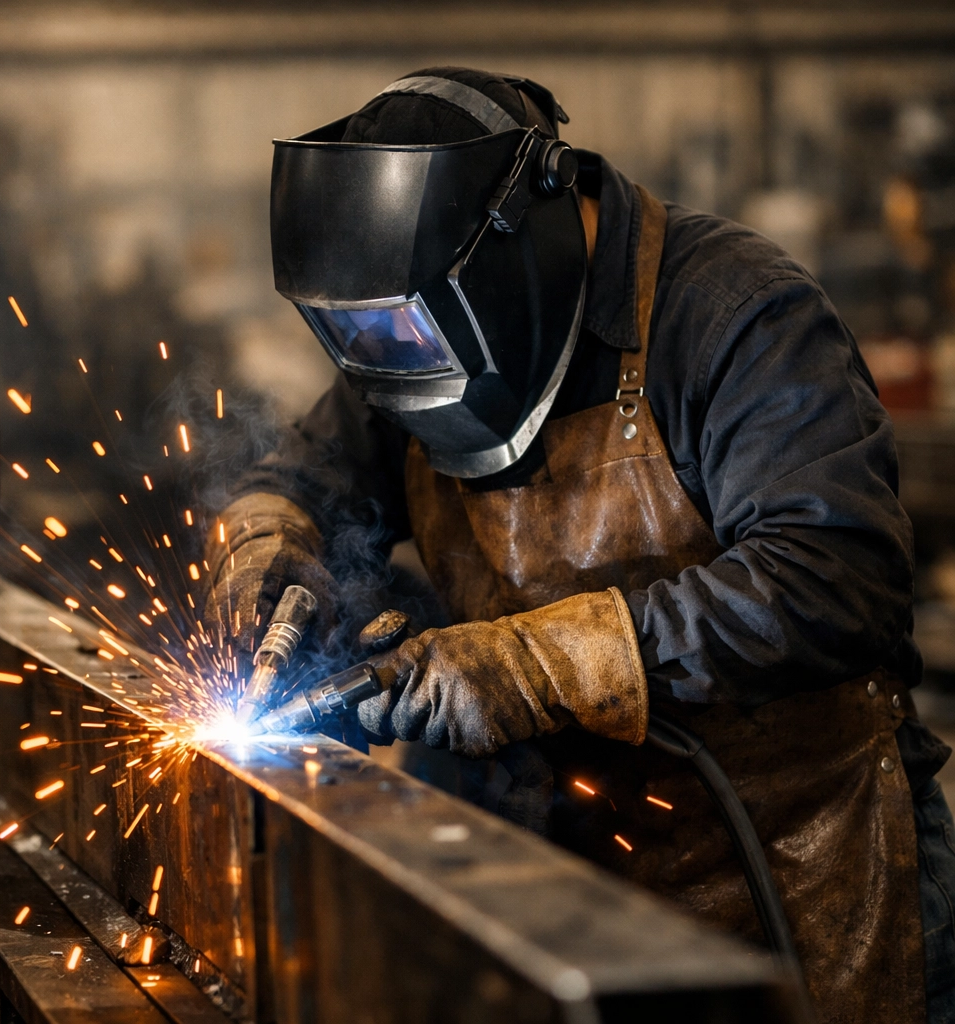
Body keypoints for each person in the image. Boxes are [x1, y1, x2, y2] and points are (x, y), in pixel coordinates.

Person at [205, 66, 955, 1024]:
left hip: (794, 865)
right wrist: (265, 555)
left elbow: (837, 579)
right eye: (360, 336)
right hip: (557, 874)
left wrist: (543, 663)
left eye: (408, 327)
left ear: (512, 248)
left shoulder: (733, 315)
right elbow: (293, 480)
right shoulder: (404, 339)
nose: (390, 359)